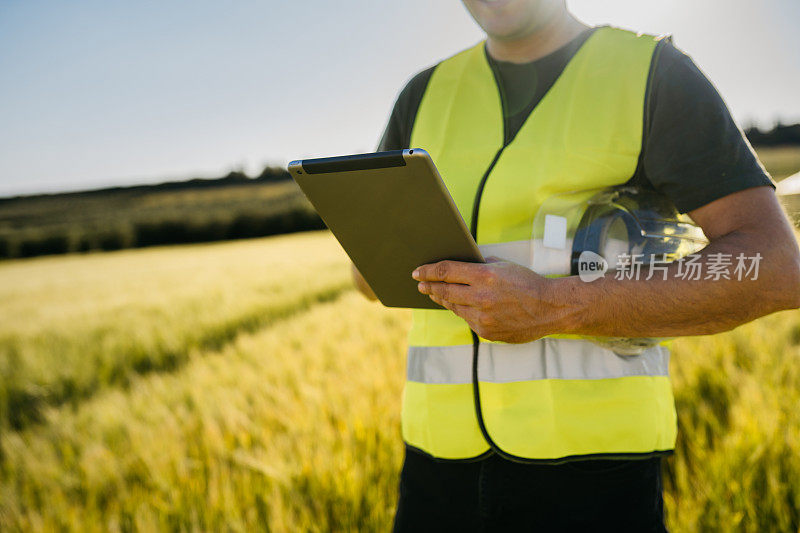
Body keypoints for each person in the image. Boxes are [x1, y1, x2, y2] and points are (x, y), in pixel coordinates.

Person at [351, 1, 800, 530]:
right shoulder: (423, 95)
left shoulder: (651, 75)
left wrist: (555, 307)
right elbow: (368, 277)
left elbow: (772, 267)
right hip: (433, 473)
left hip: (594, 478)